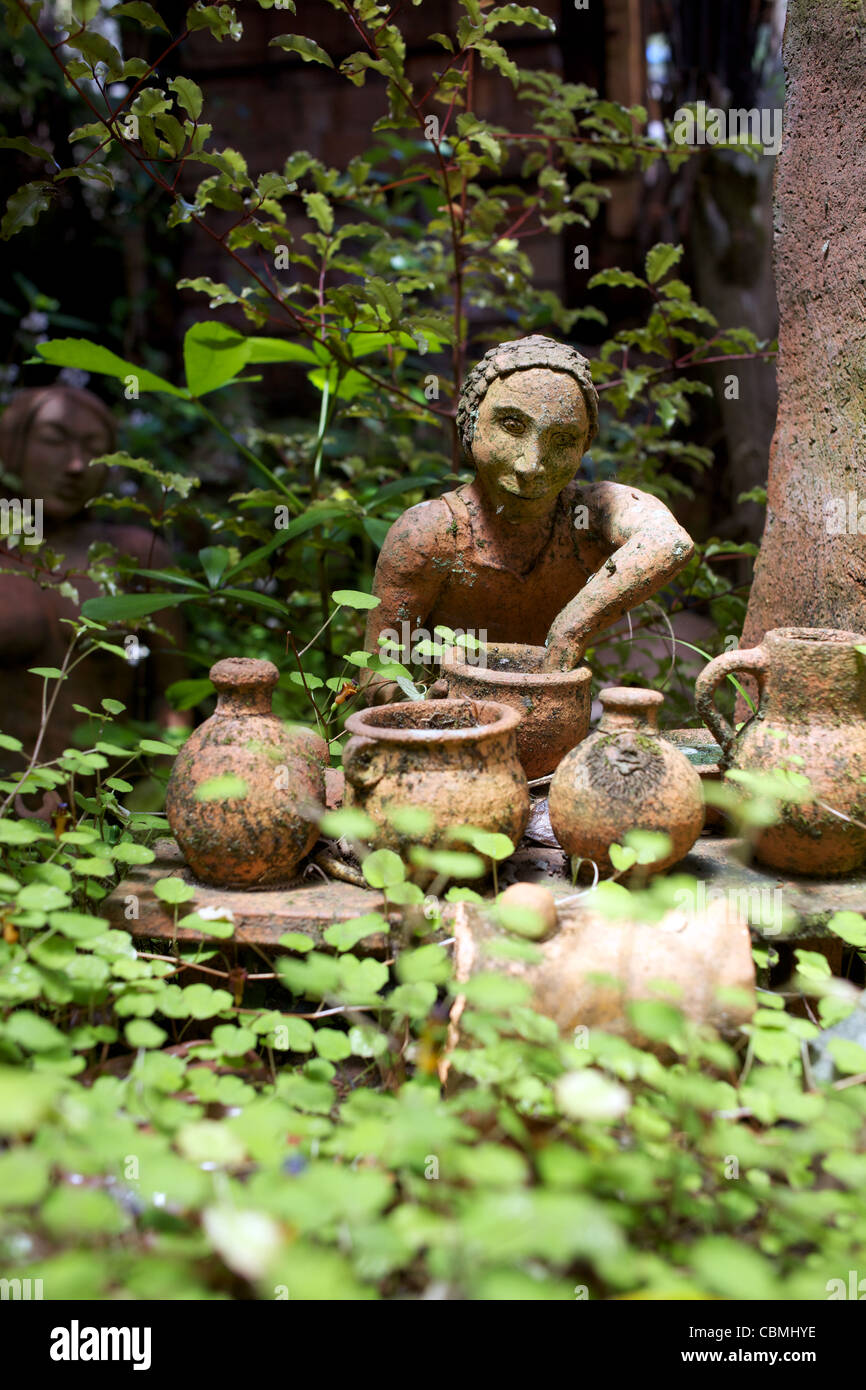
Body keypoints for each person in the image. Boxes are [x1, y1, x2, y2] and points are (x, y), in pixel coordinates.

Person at [364, 335, 695, 689]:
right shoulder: (429, 535)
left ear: (585, 444)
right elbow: (377, 678)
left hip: (559, 721)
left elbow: (668, 540)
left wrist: (569, 630)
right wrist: (419, 706)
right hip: (456, 726)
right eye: (512, 426)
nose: (532, 466)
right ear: (470, 422)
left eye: (563, 440)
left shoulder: (590, 516)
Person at [0, 384, 187, 801]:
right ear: (11, 446)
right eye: (52, 440)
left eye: (94, 448)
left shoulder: (137, 554)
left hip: (109, 811)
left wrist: (158, 797)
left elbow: (174, 696)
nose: (75, 464)